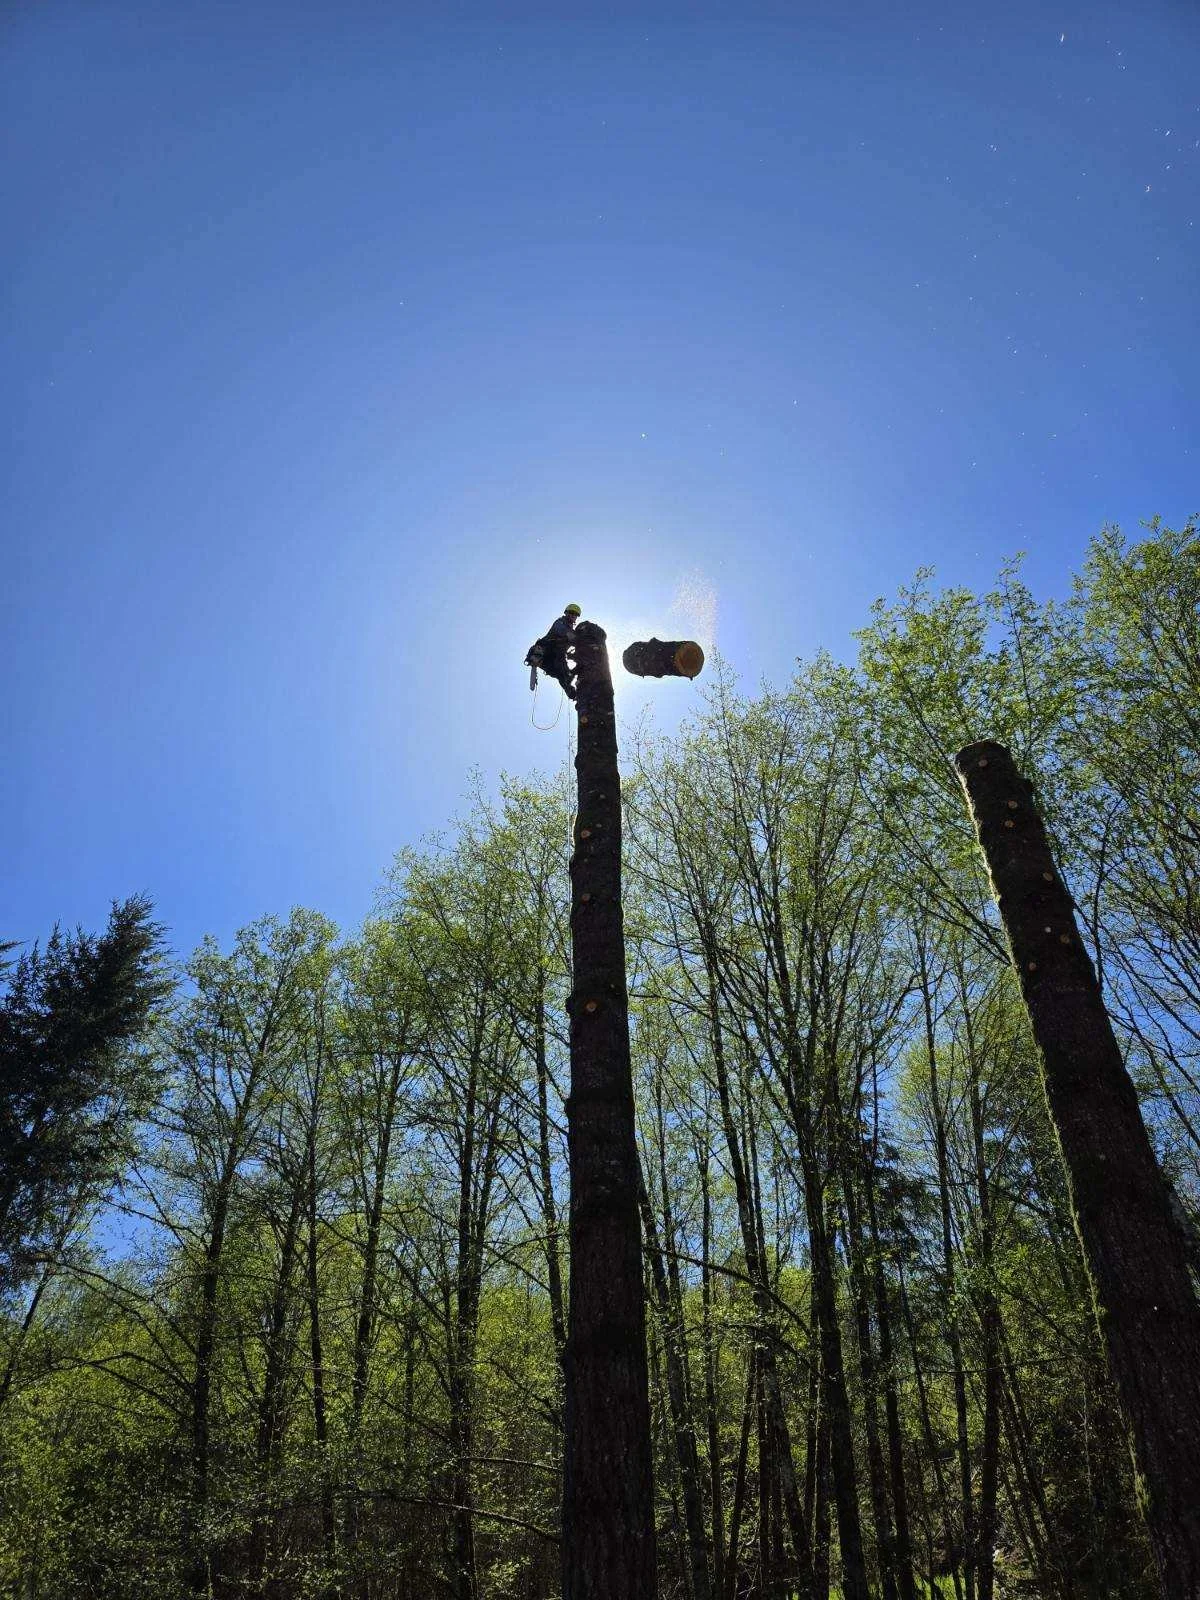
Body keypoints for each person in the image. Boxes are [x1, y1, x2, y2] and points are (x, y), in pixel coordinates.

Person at [526, 603, 581, 700]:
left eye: (575, 615)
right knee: (554, 653)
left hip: (554, 659)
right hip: (547, 649)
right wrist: (578, 638)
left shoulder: (571, 630)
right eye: (571, 613)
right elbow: (563, 631)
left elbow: (574, 641)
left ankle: (573, 694)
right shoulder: (560, 622)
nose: (573, 616)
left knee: (563, 674)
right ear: (566, 613)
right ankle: (536, 657)